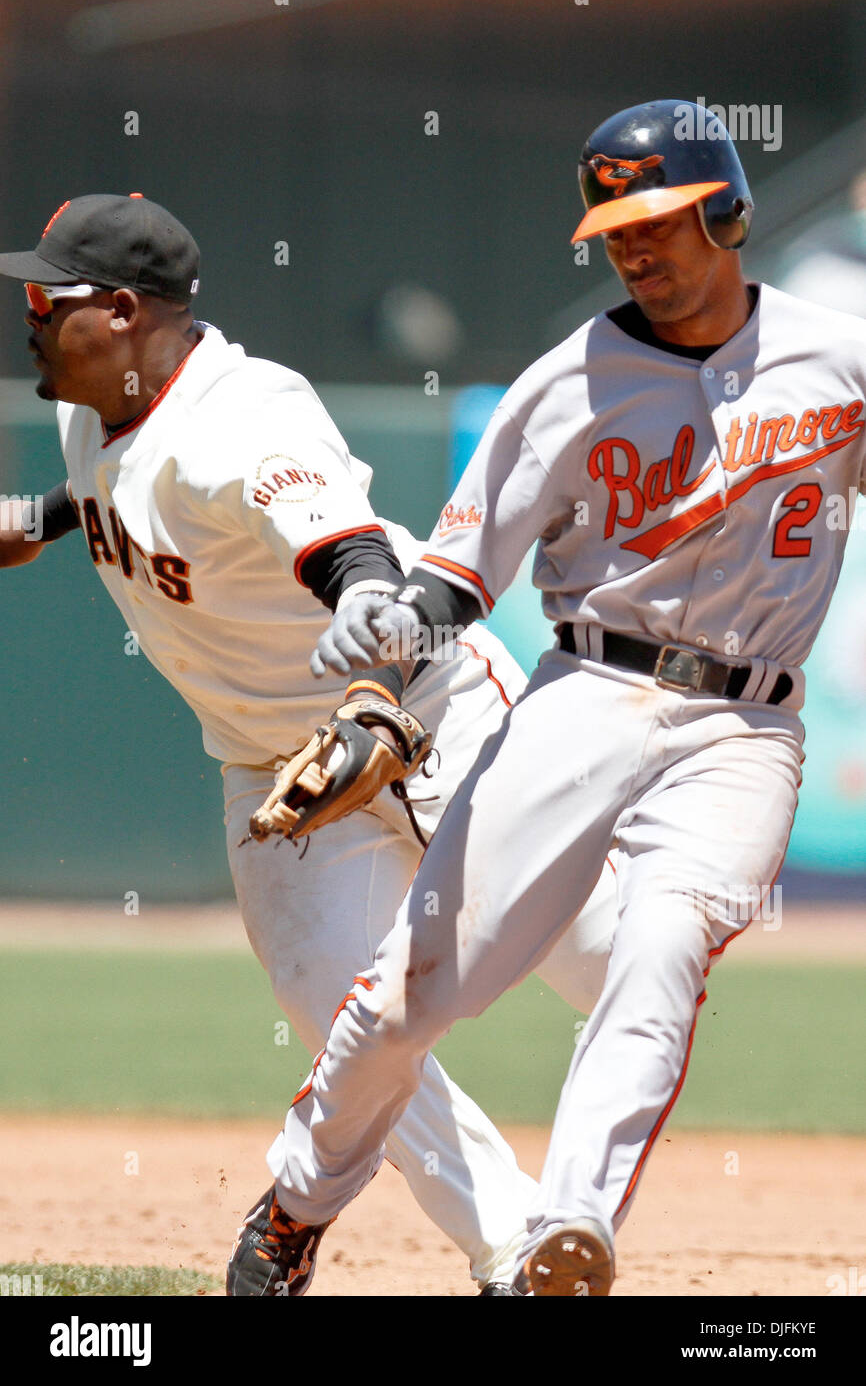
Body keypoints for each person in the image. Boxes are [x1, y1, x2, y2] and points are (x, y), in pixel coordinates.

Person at [236, 98, 866, 1297]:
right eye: (612, 228)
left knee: (659, 951)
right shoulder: (562, 383)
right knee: (412, 993)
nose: (631, 246)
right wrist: (396, 620)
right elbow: (464, 569)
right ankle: (296, 1199)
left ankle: (558, 1236)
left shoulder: (838, 360)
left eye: (656, 220)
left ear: (724, 211)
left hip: (744, 726)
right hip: (584, 691)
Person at [0, 192, 618, 1296]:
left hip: (422, 713)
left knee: (606, 958)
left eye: (49, 298)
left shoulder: (247, 417)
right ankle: (516, 1249)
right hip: (268, 772)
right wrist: (41, 519)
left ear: (125, 312)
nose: (30, 316)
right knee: (351, 1027)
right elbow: (137, 487)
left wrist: (368, 645)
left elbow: (350, 560)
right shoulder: (90, 402)